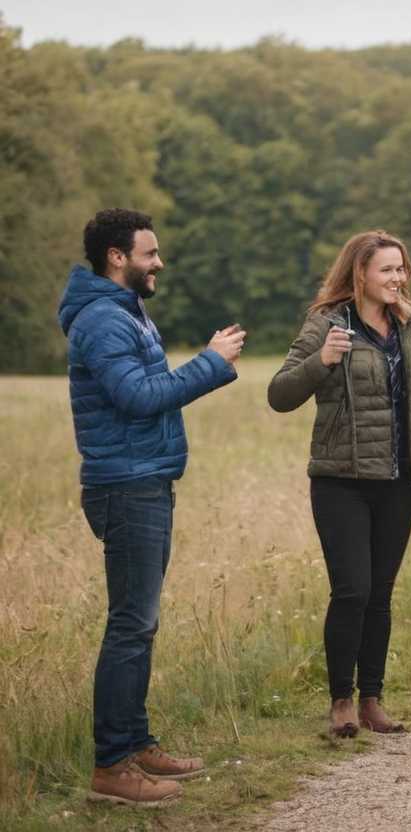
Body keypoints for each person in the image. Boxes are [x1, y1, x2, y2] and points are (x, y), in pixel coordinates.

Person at [59, 209, 244, 806]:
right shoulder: (104, 321)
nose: (158, 262)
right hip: (126, 485)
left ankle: (135, 744)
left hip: (145, 479)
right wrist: (211, 363)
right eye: (149, 253)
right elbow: (138, 398)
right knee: (130, 625)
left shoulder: (125, 313)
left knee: (141, 623)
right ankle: (112, 767)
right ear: (117, 257)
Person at [268, 230, 411, 739]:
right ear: (360, 273)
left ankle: (372, 700)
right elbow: (280, 394)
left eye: (402, 269)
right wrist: (320, 360)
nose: (398, 278)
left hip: (398, 480)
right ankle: (340, 701)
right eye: (388, 269)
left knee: (381, 594)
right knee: (353, 590)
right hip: (340, 480)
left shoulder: (408, 325)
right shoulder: (326, 324)